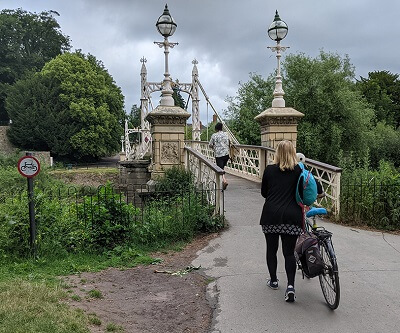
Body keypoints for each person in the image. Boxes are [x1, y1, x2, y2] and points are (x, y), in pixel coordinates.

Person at [260, 140, 303, 302]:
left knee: (271, 249)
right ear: (293, 153)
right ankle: (290, 286)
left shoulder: (269, 170)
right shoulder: (299, 170)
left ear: (277, 153)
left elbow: (264, 193)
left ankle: (274, 280)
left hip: (270, 216)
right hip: (292, 217)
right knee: (288, 253)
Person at [209, 122, 230, 190]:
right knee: (222, 167)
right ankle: (223, 181)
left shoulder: (214, 135)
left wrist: (214, 147)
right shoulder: (226, 134)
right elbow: (229, 142)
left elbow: (210, 144)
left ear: (216, 128)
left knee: (220, 169)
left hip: (219, 155)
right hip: (226, 154)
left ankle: (224, 181)